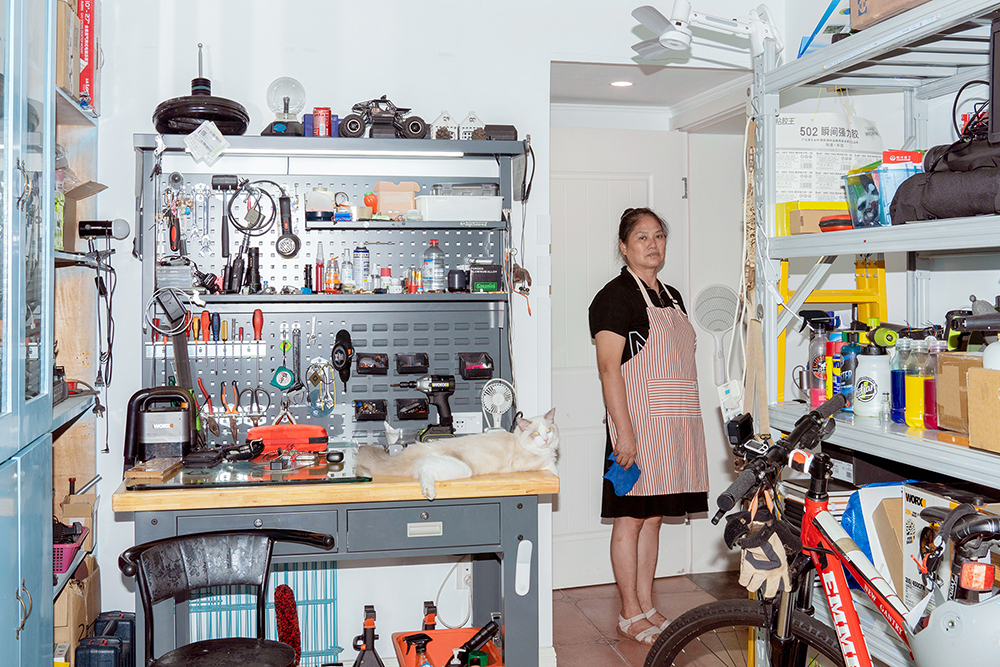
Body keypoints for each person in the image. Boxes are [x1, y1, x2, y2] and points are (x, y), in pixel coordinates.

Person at [588, 207, 710, 645]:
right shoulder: (614, 297)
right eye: (642, 237)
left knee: (653, 518)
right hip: (636, 427)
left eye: (659, 236)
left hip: (673, 428)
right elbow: (609, 369)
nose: (653, 244)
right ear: (624, 246)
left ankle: (646, 603)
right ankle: (628, 612)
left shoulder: (671, 297)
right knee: (630, 518)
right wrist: (624, 433)